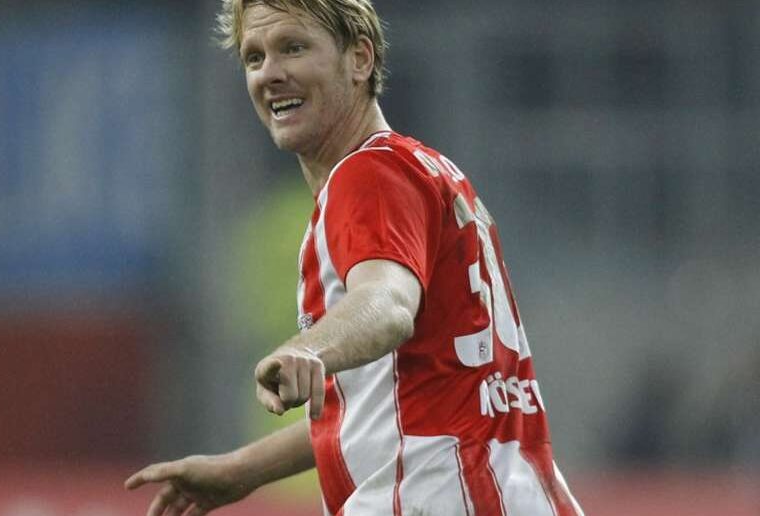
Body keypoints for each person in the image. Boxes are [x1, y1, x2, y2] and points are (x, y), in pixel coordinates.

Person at [125, 1, 584, 514]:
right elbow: (382, 406)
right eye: (254, 58)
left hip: (437, 493)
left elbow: (388, 303)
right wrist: (240, 470)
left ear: (360, 59)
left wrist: (311, 349)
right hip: (505, 489)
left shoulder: (367, 177)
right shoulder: (423, 169)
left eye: (293, 48)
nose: (270, 73)